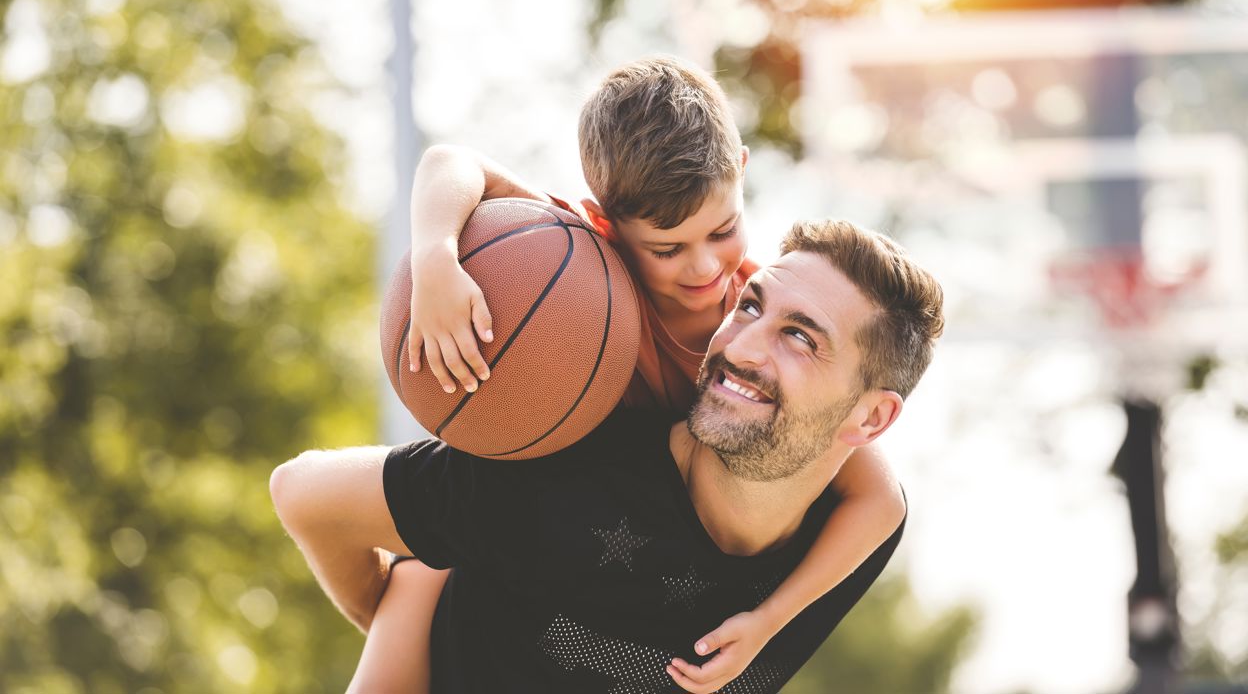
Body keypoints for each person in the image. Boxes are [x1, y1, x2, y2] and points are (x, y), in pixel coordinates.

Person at [357, 57, 905, 692]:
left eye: (722, 230)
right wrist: (435, 257)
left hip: (600, 563)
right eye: (667, 249)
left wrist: (768, 621)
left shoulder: (755, 326)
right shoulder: (576, 282)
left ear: (743, 173)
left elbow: (881, 499)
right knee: (421, 574)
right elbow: (450, 164)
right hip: (496, 524)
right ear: (605, 224)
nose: (704, 268)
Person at [270, 218, 945, 693]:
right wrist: (389, 608)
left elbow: (882, 499)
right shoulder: (555, 478)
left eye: (800, 337)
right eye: (750, 306)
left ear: (872, 417)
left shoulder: (849, 535)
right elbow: (301, 492)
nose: (740, 347)